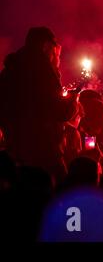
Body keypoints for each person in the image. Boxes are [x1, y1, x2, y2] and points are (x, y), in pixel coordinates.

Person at [0, 27, 77, 180]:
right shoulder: (43, 69)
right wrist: (71, 100)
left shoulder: (11, 68)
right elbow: (59, 111)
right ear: (46, 45)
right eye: (53, 49)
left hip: (15, 147)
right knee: (58, 190)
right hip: (44, 148)